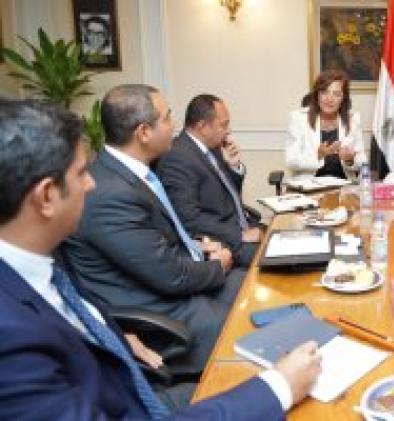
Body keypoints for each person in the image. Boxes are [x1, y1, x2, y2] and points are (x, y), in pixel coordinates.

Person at [0, 98, 321, 419]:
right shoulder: (12, 339)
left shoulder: (35, 263)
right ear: (46, 196)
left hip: (128, 379)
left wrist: (112, 335)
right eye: (82, 173)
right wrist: (279, 388)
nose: (91, 183)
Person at [60, 85, 242, 378]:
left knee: (258, 290)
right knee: (250, 327)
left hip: (174, 282)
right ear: (144, 132)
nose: (174, 126)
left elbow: (154, 241)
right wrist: (218, 266)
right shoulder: (109, 193)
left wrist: (197, 246)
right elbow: (172, 276)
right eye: (167, 118)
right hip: (162, 314)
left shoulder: (130, 172)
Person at [156, 94, 262, 267]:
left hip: (243, 225)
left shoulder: (212, 147)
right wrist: (240, 235)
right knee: (282, 259)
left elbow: (226, 196)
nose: (228, 131)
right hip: (225, 241)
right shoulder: (177, 158)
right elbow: (190, 219)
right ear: (203, 127)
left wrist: (233, 167)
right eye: (224, 125)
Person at [285, 69, 366, 180]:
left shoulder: (352, 119)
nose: (330, 99)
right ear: (317, 95)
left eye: (336, 94)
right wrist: (318, 155)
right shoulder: (298, 119)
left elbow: (362, 161)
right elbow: (291, 161)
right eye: (325, 92)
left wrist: (350, 160)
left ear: (343, 98)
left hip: (344, 185)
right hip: (309, 185)